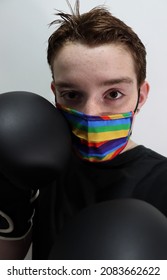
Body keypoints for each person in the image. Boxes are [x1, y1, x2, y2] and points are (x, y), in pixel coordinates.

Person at [1, 0, 167, 259]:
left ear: (141, 96)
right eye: (72, 94)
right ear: (56, 95)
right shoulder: (32, 167)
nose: (90, 113)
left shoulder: (162, 182)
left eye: (113, 93)